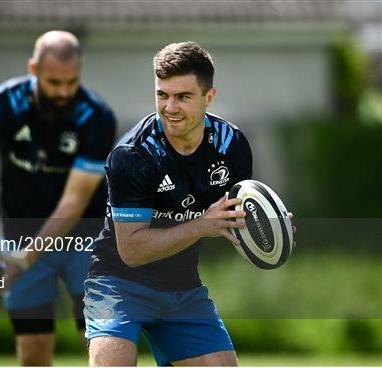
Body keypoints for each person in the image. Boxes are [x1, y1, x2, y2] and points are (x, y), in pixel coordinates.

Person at [0, 30, 116, 366]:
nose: (64, 92)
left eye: (71, 82)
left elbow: (72, 204)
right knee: (32, 353)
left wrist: (23, 259)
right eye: (54, 82)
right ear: (33, 68)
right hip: (20, 233)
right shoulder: (1, 104)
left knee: (101, 346)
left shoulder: (96, 117)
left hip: (87, 241)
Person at [84, 41, 258, 366]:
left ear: (209, 97)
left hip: (182, 287)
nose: (170, 107)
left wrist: (269, 228)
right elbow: (132, 252)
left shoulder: (231, 145)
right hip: (118, 283)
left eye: (182, 96)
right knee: (112, 362)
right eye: (162, 95)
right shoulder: (133, 155)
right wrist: (202, 226)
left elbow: (234, 217)